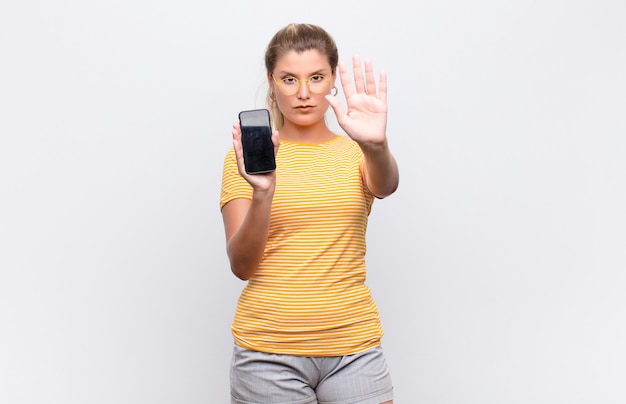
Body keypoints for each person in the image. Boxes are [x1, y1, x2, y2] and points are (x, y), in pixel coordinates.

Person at [220, 23, 399, 404]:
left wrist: (377, 145)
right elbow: (241, 266)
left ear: (332, 78)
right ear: (272, 82)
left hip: (354, 345)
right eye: (289, 79)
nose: (304, 93)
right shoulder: (247, 163)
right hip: (267, 351)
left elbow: (386, 185)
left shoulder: (357, 153)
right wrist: (263, 193)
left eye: (316, 78)